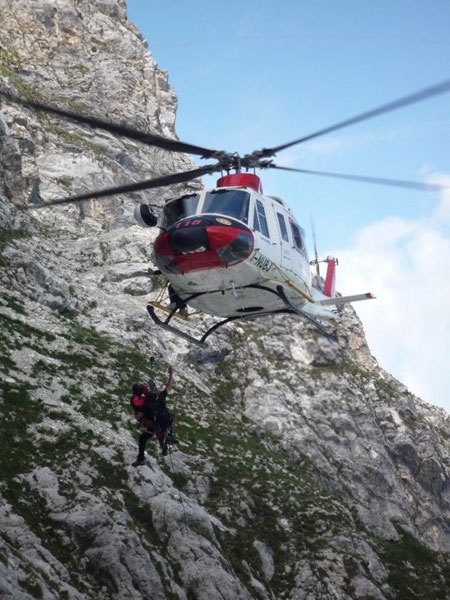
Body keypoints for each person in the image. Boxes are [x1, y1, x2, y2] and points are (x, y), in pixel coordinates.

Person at [130, 366, 179, 466]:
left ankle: (141, 459)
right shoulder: (160, 397)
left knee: (143, 438)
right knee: (167, 420)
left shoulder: (144, 403)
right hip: (164, 423)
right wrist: (171, 374)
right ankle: (166, 438)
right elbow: (169, 386)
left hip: (153, 424)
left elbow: (138, 415)